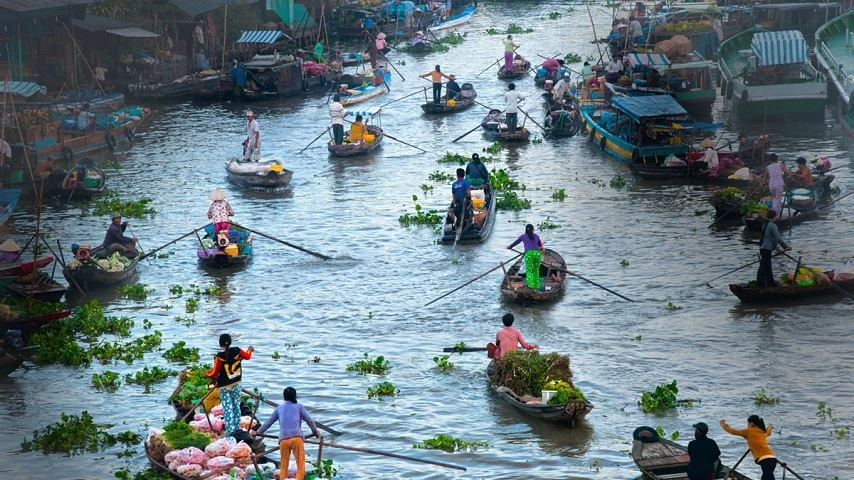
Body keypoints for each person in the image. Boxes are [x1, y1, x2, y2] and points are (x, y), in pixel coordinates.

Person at [251, 387, 320, 480]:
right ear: (295, 396)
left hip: (283, 440)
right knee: (300, 465)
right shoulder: (299, 406)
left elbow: (268, 422)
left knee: (283, 466)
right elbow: (310, 421)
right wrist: (315, 432)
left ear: (284, 397)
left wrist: (258, 432)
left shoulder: (279, 408)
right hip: (296, 438)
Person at [206, 334, 254, 437]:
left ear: (220, 344)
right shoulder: (237, 351)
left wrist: (206, 374)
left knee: (228, 408)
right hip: (236, 384)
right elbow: (248, 356)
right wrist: (250, 349)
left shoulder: (219, 357)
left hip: (224, 386)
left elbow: (214, 372)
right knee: (236, 406)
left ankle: (230, 432)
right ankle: (237, 429)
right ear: (230, 342)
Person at [720, 416, 777, 480]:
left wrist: (724, 426)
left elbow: (734, 431)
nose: (747, 425)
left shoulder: (749, 431)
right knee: (767, 476)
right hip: (772, 458)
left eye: (748, 423)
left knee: (767, 476)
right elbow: (768, 432)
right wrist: (770, 427)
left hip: (764, 459)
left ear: (751, 423)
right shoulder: (762, 431)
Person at [757, 209, 791, 288]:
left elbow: (768, 237)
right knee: (764, 266)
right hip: (767, 248)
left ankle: (769, 283)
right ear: (774, 217)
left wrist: (776, 248)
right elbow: (778, 238)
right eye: (776, 216)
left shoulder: (764, 224)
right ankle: (762, 284)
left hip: (762, 247)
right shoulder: (772, 225)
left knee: (766, 266)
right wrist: (785, 247)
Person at [508, 223, 545, 289]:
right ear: (533, 230)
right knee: (536, 270)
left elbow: (515, 243)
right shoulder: (536, 236)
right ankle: (536, 286)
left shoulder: (523, 236)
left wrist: (509, 247)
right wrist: (541, 247)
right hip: (537, 254)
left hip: (529, 254)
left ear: (525, 230)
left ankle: (531, 287)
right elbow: (540, 245)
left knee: (529, 271)